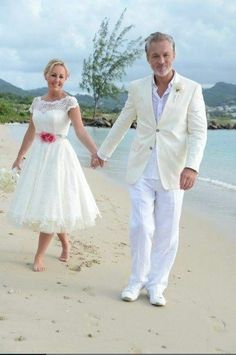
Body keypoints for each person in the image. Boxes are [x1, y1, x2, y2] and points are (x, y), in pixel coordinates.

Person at [95, 32, 207, 306]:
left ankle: (157, 285)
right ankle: (136, 280)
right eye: (155, 55)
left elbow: (198, 131)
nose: (161, 60)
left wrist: (192, 166)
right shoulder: (137, 87)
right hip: (141, 167)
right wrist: (103, 152)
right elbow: (123, 121)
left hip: (174, 171)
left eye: (166, 54)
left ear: (174, 55)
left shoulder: (191, 88)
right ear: (147, 58)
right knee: (140, 226)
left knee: (167, 232)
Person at [8, 59, 102, 272]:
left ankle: (39, 256)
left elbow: (80, 131)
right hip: (39, 157)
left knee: (51, 202)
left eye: (61, 76)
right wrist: (19, 157)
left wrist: (96, 152)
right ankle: (66, 243)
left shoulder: (70, 102)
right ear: (46, 76)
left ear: (66, 79)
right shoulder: (37, 102)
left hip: (60, 157)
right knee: (48, 204)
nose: (57, 79)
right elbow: (31, 133)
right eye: (53, 75)